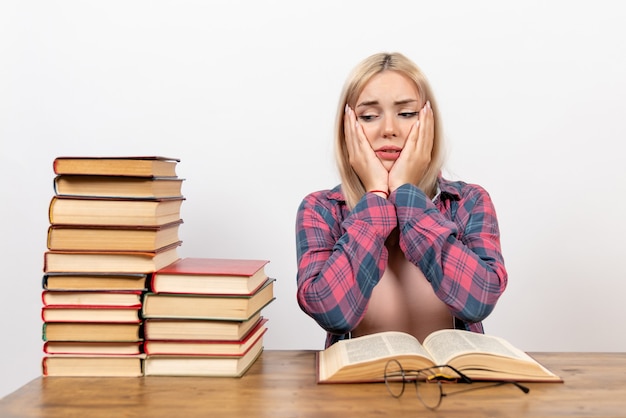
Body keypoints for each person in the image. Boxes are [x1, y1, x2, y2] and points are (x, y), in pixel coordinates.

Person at [295, 52, 508, 348]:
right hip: (354, 391)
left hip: (456, 390)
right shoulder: (321, 210)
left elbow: (478, 299)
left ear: (429, 123)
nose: (388, 130)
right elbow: (331, 311)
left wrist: (407, 193)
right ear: (346, 130)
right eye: (368, 116)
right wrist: (376, 198)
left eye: (406, 114)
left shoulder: (469, 201)